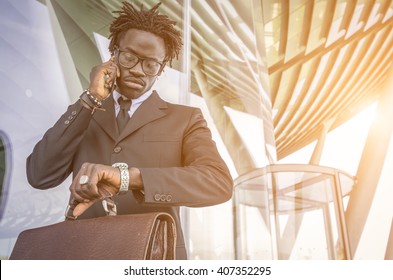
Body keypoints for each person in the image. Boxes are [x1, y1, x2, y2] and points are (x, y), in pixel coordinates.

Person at [26, 2, 233, 260]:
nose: (137, 69)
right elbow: (39, 175)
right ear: (113, 54)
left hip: (154, 260)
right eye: (129, 57)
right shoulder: (85, 113)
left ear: (162, 69)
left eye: (150, 64)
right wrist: (91, 98)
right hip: (85, 257)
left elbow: (218, 183)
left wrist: (127, 178)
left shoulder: (186, 119)